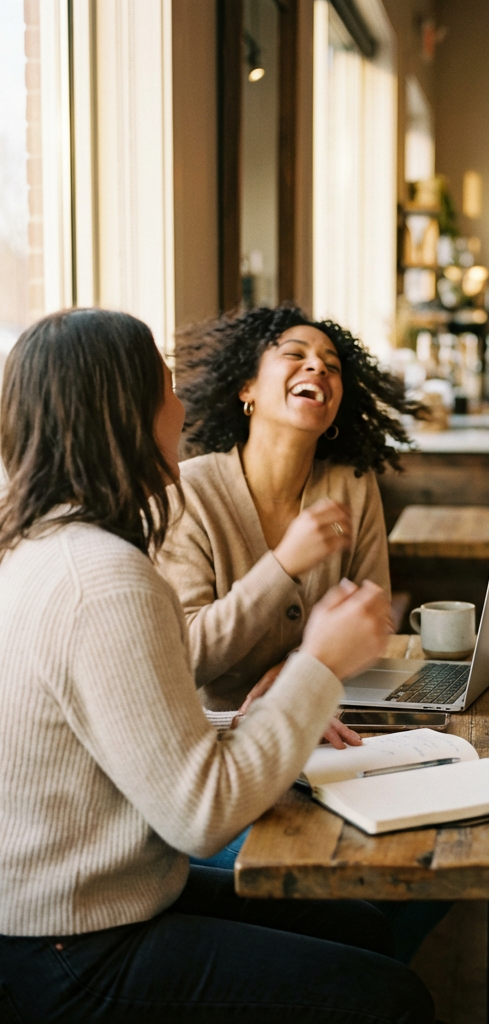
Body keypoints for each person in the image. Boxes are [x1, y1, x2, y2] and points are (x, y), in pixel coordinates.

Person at [0, 309, 434, 1024]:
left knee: (364, 928)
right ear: (126, 414)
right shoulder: (107, 579)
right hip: (70, 946)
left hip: (84, 904)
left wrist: (276, 701)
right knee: (393, 1000)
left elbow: (160, 742)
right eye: (165, 390)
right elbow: (200, 815)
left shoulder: (44, 545)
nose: (178, 408)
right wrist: (317, 667)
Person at [159, 304, 420, 719]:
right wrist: (282, 566)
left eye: (331, 365)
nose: (317, 366)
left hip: (331, 716)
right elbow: (186, 659)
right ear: (248, 388)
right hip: (226, 737)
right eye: (295, 355)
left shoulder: (352, 484)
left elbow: (375, 616)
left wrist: (300, 672)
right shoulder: (190, 493)